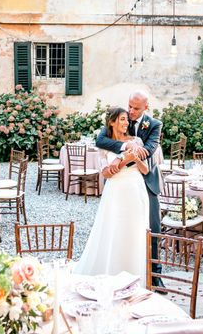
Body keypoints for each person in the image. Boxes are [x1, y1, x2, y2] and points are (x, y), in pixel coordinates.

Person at [95, 90, 164, 288]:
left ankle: (154, 275)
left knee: (152, 228)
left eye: (136, 108)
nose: (131, 112)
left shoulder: (154, 125)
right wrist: (125, 148)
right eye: (130, 106)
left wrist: (135, 151)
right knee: (119, 227)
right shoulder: (119, 117)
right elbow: (101, 141)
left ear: (146, 107)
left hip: (145, 180)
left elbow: (149, 150)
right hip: (121, 183)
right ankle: (117, 268)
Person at [74, 107, 150, 280]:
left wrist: (136, 159)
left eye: (127, 119)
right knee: (114, 231)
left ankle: (134, 278)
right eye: (122, 119)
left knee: (135, 232)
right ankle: (111, 276)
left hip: (135, 191)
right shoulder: (104, 145)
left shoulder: (136, 140)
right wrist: (124, 160)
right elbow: (107, 173)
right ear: (112, 122)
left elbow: (145, 170)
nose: (126, 123)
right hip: (116, 193)